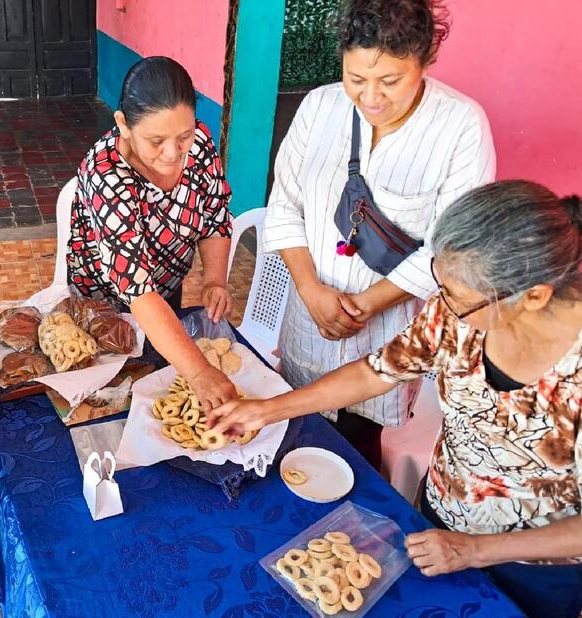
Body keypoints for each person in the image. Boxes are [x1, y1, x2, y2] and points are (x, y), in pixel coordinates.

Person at [211, 181, 582, 617]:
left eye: (459, 300)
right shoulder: (457, 309)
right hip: (438, 518)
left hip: (534, 566)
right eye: (441, 288)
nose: (443, 307)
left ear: (534, 297)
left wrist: (476, 551)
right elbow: (378, 371)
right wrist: (267, 408)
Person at [263, 0, 495, 468]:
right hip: (307, 316)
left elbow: (449, 250)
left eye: (391, 81)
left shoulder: (461, 127)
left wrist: (365, 306)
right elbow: (285, 204)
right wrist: (309, 288)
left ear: (425, 59)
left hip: (387, 334)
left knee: (359, 451)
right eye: (356, 79)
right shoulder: (318, 108)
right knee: (291, 429)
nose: (371, 97)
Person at [69, 56, 237, 410]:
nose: (173, 153)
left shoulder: (200, 145)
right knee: (115, 403)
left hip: (165, 293)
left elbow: (215, 217)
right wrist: (200, 372)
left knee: (163, 384)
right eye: (156, 140)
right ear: (123, 125)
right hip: (104, 311)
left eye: (184, 136)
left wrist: (215, 280)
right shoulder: (107, 176)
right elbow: (138, 293)